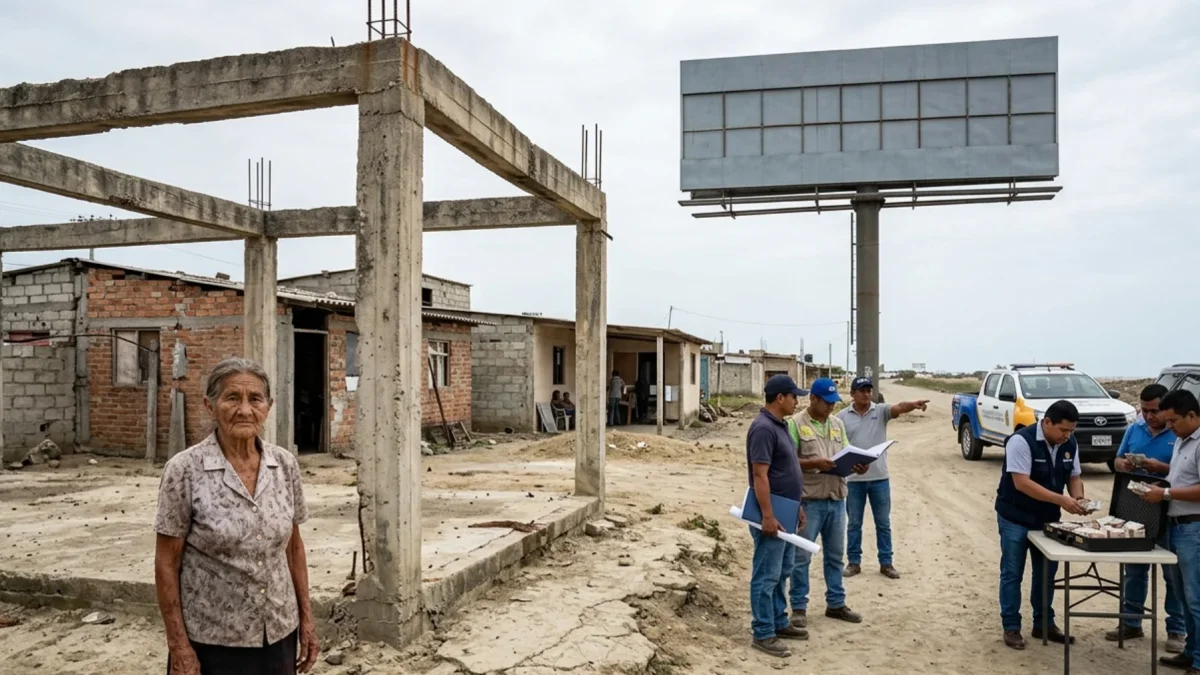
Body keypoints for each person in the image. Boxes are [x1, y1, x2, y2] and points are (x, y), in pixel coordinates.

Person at [154, 357, 319, 675]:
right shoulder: (185, 469)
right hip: (213, 641)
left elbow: (294, 549)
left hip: (279, 631)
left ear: (268, 407)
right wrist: (178, 646)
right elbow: (166, 563)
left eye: (255, 399)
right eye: (232, 398)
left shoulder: (284, 465)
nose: (245, 410)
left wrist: (307, 621)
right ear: (210, 405)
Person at [995, 399, 1088, 650]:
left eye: (1071, 431)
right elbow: (1022, 483)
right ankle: (1011, 626)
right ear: (1046, 422)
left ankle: (1044, 623)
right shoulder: (1020, 441)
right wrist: (1062, 500)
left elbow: (1074, 475)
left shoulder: (1070, 443)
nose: (1067, 436)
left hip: (1047, 520)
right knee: (1012, 573)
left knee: (1046, 574)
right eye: (1063, 430)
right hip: (1015, 516)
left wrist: (1078, 498)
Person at [1106, 384, 1185, 652]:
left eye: (1154, 411)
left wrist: (1159, 467)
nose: (1149, 416)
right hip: (1135, 509)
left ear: (1166, 409)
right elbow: (1115, 461)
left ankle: (1176, 630)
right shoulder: (1134, 428)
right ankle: (1131, 621)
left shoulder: (1180, 434)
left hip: (1168, 510)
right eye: (1144, 410)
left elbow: (1186, 471)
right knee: (1134, 571)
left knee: (1173, 575)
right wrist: (1124, 464)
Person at [787, 377, 868, 629]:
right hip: (809, 502)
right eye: (827, 402)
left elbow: (845, 451)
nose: (831, 407)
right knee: (801, 558)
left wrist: (857, 466)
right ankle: (798, 607)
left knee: (835, 556)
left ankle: (836, 603)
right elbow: (788, 463)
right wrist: (814, 464)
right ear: (813, 399)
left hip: (836, 499)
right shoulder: (795, 424)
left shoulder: (836, 424)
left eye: (834, 403)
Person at [745, 374, 811, 657]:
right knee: (766, 574)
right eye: (794, 396)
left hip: (786, 510)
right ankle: (763, 632)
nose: (797, 401)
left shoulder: (780, 425)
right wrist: (768, 516)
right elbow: (760, 474)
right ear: (780, 398)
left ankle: (778, 621)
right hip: (771, 515)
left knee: (782, 570)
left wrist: (796, 505)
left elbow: (786, 471)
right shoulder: (762, 428)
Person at [838, 377, 929, 580]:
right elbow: (836, 442)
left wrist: (912, 405)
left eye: (869, 390)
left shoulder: (879, 411)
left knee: (883, 523)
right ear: (852, 394)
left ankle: (886, 563)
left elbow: (898, 407)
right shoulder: (842, 417)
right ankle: (854, 562)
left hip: (879, 478)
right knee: (854, 523)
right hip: (853, 480)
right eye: (862, 390)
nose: (867, 394)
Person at [1141, 389, 1200, 674]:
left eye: (1174, 421)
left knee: (1196, 596)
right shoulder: (1181, 441)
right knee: (1184, 596)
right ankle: (1191, 652)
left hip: (1194, 529)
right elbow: (1178, 479)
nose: (1170, 428)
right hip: (1177, 528)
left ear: (1192, 415)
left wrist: (1164, 494)